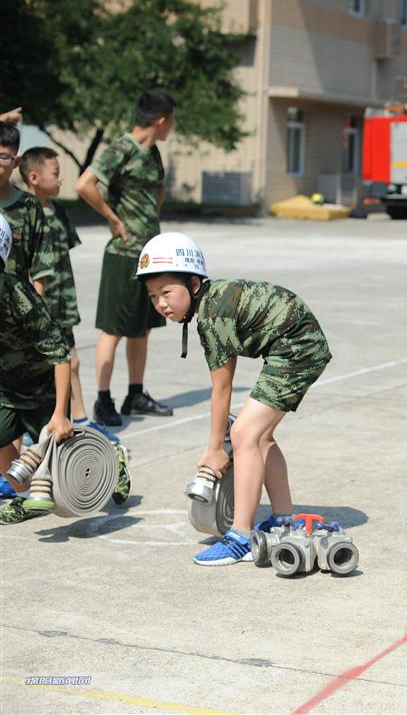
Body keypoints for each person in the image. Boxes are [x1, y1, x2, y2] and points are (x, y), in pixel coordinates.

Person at [136, 232, 333, 565]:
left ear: (194, 284)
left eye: (167, 293)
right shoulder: (212, 303)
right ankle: (283, 520)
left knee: (243, 434)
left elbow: (221, 389)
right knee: (260, 435)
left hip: (298, 348)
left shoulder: (214, 315)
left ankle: (240, 536)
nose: (161, 304)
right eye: (153, 296)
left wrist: (215, 449)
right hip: (292, 346)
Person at [75, 89, 177, 426]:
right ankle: (103, 400)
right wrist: (113, 218)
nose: (171, 128)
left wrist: (150, 218)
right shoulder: (122, 148)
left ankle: (136, 394)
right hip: (123, 254)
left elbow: (159, 188)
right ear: (161, 120)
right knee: (114, 329)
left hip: (150, 254)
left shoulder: (152, 154)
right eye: (171, 121)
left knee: (143, 327)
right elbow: (85, 184)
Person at [20, 148, 120, 444]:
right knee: (38, 366)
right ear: (34, 178)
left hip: (63, 302)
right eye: (55, 173)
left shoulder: (59, 212)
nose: (61, 178)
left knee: (71, 362)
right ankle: (29, 428)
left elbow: (62, 258)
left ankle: (80, 419)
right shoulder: (23, 212)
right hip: (38, 304)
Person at [0, 214, 77, 524]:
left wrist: (60, 413)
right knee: (28, 486)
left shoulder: (19, 297)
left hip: (44, 388)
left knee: (67, 484)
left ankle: (114, 463)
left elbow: (60, 355)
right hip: (7, 388)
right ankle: (22, 493)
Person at [0, 122, 46, 286]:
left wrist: (36, 309)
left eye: (3, 157)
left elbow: (40, 269)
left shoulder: (29, 206)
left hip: (15, 306)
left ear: (16, 161)